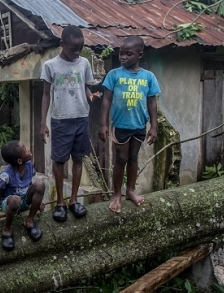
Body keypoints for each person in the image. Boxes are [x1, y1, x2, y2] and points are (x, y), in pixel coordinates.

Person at [41, 25, 101, 223]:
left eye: (80, 47)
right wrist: (43, 123)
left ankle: (74, 200)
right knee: (59, 161)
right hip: (60, 120)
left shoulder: (84, 63)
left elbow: (85, 86)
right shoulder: (50, 65)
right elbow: (46, 94)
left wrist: (90, 96)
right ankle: (60, 202)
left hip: (81, 118)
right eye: (73, 48)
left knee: (77, 159)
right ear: (62, 44)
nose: (77, 52)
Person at [99, 35, 161, 213]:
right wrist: (103, 124)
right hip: (120, 125)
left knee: (133, 158)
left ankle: (130, 190)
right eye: (121, 54)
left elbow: (152, 102)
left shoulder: (148, 77)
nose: (123, 57)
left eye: (128, 54)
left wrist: (154, 126)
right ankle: (116, 194)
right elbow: (106, 101)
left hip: (139, 125)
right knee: (121, 158)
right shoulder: (114, 75)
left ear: (140, 54)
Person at [0, 140, 45, 251]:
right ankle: (7, 229)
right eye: (25, 149)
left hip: (24, 200)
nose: (28, 149)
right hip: (9, 203)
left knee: (40, 184)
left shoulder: (29, 165)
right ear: (19, 160)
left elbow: (29, 183)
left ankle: (29, 222)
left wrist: (37, 201)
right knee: (15, 200)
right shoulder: (6, 175)